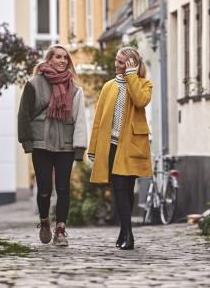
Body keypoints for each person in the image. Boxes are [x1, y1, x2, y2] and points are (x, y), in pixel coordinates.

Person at [18, 44, 87, 246]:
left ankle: (61, 230)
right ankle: (45, 221)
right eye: (58, 57)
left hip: (65, 145)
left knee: (63, 188)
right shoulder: (33, 85)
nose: (62, 61)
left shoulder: (75, 90)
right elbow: (23, 115)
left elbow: (80, 120)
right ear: (49, 59)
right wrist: (27, 142)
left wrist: (79, 147)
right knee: (45, 189)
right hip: (41, 145)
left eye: (65, 58)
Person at [88, 46, 153, 250]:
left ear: (132, 64)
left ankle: (125, 231)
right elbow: (98, 120)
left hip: (132, 145)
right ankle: (128, 234)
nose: (117, 64)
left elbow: (140, 101)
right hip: (112, 146)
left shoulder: (144, 84)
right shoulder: (108, 86)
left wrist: (132, 76)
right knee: (118, 190)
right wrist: (93, 148)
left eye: (122, 62)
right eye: (117, 60)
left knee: (127, 189)